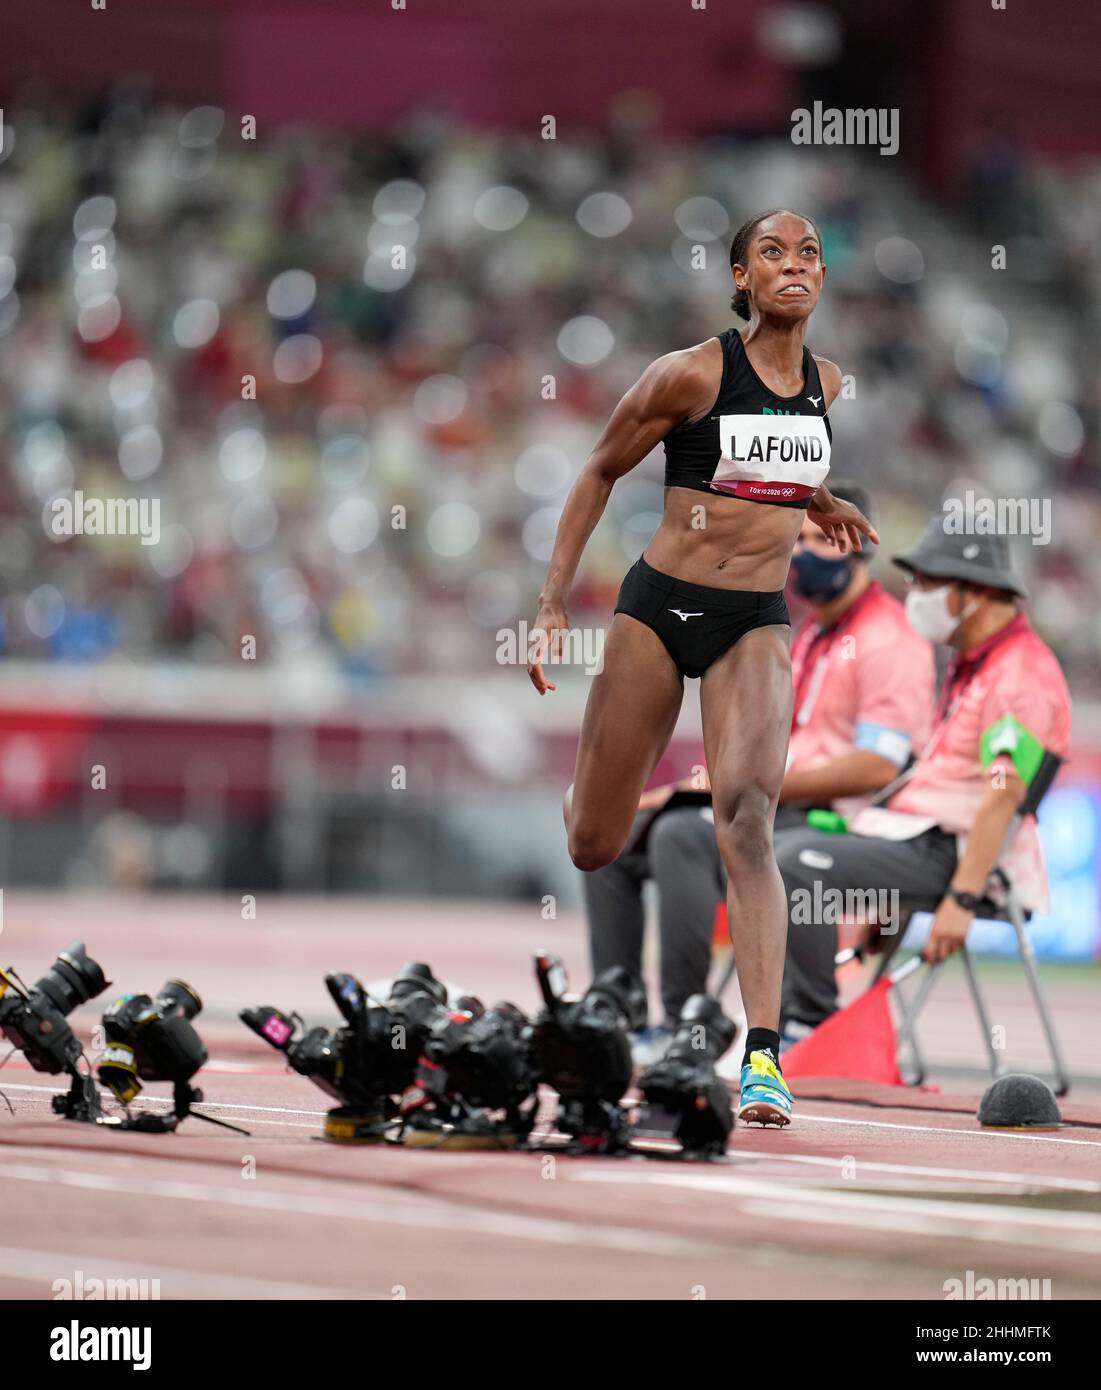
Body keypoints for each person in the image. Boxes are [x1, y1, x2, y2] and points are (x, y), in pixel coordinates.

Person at [527, 209, 878, 1126]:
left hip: (752, 621)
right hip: (658, 610)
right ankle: (597, 789)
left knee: (748, 820)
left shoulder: (827, 385)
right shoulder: (687, 374)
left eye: (808, 252)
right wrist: (552, 600)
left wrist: (827, 501)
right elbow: (598, 470)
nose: (794, 265)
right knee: (592, 844)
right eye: (773, 253)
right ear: (741, 277)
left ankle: (761, 1059)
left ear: (821, 277)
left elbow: (784, 471)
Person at [580, 482, 933, 1064]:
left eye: (821, 539)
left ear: (857, 545)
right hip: (769, 800)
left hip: (829, 820)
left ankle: (685, 1025)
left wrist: (742, 786)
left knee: (683, 838)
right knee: (615, 832)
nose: (800, 554)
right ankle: (623, 1012)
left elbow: (878, 765)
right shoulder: (808, 631)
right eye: (797, 538)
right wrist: (701, 785)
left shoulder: (888, 641)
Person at [777, 518, 1071, 1031]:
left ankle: (812, 1025)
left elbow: (1003, 794)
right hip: (914, 841)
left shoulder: (1019, 674)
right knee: (787, 843)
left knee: (801, 861)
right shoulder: (974, 663)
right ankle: (776, 1018)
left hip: (954, 854)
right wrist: (884, 898)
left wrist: (960, 899)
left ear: (974, 591)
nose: (915, 594)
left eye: (928, 582)